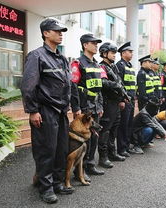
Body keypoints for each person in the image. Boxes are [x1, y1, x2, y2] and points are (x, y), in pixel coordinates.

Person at [21, 18, 78, 204]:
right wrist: (32, 110)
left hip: (60, 111)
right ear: (46, 33)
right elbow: (28, 86)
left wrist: (70, 106)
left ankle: (57, 182)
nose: (60, 33)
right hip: (45, 110)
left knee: (61, 148)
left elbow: (68, 84)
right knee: (46, 150)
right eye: (56, 30)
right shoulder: (36, 56)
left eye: (62, 31)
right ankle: (45, 187)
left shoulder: (61, 58)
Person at [70, 33, 105, 177]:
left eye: (97, 43)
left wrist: (101, 105)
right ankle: (80, 170)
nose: (96, 45)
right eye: (93, 43)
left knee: (94, 138)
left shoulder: (97, 65)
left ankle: (90, 165)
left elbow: (99, 87)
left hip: (96, 108)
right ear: (85, 45)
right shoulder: (77, 63)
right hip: (84, 109)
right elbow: (73, 86)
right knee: (83, 141)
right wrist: (76, 108)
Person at [98, 42, 126, 169]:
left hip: (116, 102)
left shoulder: (113, 67)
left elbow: (120, 82)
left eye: (115, 53)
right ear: (104, 53)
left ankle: (112, 153)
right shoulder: (101, 67)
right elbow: (103, 83)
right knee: (105, 130)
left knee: (114, 129)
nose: (115, 55)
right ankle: (103, 158)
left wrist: (122, 98)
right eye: (112, 53)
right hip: (107, 102)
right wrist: (116, 86)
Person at [116, 41, 139, 156]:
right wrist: (121, 99)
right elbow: (120, 84)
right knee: (123, 125)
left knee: (129, 124)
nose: (132, 54)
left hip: (131, 99)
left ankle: (126, 146)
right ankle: (121, 148)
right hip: (124, 100)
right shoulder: (120, 65)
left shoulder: (130, 66)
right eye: (130, 52)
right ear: (123, 53)